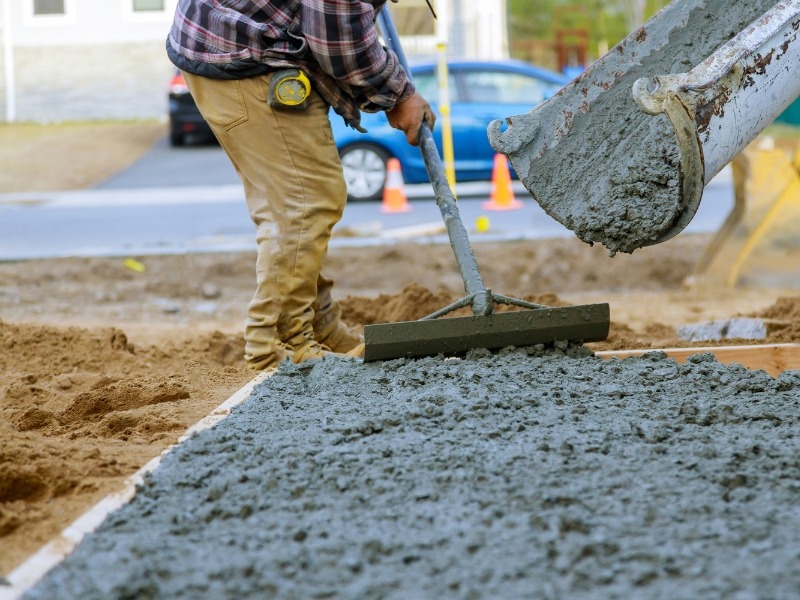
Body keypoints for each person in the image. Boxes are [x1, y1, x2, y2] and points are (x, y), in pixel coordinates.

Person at [166, 0, 435, 371]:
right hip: (246, 54)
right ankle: (280, 345)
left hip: (235, 42)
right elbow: (338, 40)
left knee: (296, 205)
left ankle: (317, 327)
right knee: (305, 204)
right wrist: (398, 93)